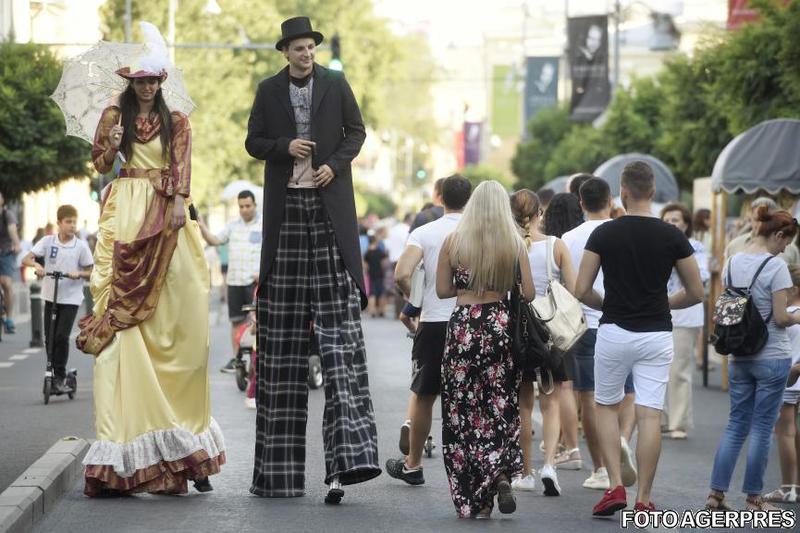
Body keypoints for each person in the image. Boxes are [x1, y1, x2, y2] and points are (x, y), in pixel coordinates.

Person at [76, 22, 225, 496]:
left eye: (151, 79)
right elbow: (100, 165)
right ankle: (122, 445)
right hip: (124, 208)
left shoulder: (177, 120)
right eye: (138, 79)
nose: (145, 86)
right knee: (119, 318)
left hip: (163, 212)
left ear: (160, 82)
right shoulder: (111, 115)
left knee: (179, 320)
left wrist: (179, 203)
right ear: (130, 81)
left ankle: (179, 442)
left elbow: (181, 167)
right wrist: (111, 141)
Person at [245, 16, 380, 504]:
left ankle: (348, 466)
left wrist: (332, 165)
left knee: (341, 349)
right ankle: (277, 477)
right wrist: (285, 147)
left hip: (328, 215)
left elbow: (357, 132)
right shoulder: (267, 90)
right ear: (285, 52)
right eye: (298, 49)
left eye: (310, 48)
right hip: (285, 218)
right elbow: (253, 141)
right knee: (280, 352)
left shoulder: (336, 83)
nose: (306, 54)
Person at [575, 161, 703, 516]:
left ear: (624, 192)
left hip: (613, 330)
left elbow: (581, 289)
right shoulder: (673, 236)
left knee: (606, 406)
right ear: (652, 192)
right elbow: (695, 292)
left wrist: (608, 305)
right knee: (649, 415)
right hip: (656, 334)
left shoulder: (603, 234)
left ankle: (615, 486)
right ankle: (644, 498)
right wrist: (664, 302)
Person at [436, 180, 536, 519]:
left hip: (464, 326)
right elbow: (531, 293)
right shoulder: (514, 244)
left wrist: (468, 285)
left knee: (463, 408)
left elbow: (441, 290)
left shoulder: (454, 242)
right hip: (499, 325)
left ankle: (475, 498)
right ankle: (501, 473)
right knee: (499, 404)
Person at [705, 206, 800, 512]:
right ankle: (753, 498)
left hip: (739, 354)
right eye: (786, 241)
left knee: (735, 425)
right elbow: (782, 317)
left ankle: (715, 495)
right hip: (772, 355)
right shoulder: (776, 267)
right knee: (761, 428)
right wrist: (797, 319)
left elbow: (728, 307)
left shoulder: (733, 262)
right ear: (778, 234)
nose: (786, 248)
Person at [386, 174, 472, 486]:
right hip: (475, 322)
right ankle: (475, 467)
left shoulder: (424, 232)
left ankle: (413, 464)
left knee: (424, 395)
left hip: (435, 322)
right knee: (471, 397)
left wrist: (417, 300)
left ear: (440, 199)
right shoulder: (481, 232)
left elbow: (401, 273)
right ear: (470, 199)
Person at [510, 189, 577, 497]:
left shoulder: (508, 247)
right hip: (549, 331)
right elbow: (573, 290)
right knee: (550, 400)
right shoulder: (556, 245)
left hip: (519, 331)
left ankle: (526, 472)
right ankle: (549, 464)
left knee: (524, 404)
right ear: (540, 214)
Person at [21, 205, 93, 393]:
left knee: (61, 337)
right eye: (68, 222)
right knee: (49, 338)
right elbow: (26, 259)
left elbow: (93, 271)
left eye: (74, 222)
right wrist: (36, 265)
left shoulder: (81, 246)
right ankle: (52, 375)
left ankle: (60, 376)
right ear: (59, 223)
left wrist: (79, 273)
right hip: (50, 295)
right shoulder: (48, 241)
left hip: (70, 298)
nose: (72, 226)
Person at [541, 191, 586, 471]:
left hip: (545, 320)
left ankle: (564, 444)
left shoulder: (552, 242)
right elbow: (575, 286)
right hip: (574, 319)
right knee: (572, 387)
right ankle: (570, 443)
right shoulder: (579, 238)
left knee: (553, 387)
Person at [197, 189, 262, 373]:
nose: (244, 209)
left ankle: (259, 359)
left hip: (254, 283)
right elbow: (215, 240)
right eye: (241, 206)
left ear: (255, 205)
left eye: (248, 206)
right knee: (236, 322)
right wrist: (201, 227)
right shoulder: (232, 226)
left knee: (257, 322)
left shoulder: (264, 224)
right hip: (234, 282)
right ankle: (237, 360)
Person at [661, 203, 710, 440]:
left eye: (676, 220)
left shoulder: (696, 247)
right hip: (658, 314)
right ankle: (660, 418)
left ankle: (678, 422)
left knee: (679, 370)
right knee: (658, 368)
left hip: (685, 314)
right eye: (667, 220)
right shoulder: (656, 244)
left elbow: (701, 277)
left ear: (686, 224)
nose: (672, 224)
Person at [764, 264, 800, 503]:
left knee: (785, 433)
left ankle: (788, 487)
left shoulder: (786, 316)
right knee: (796, 432)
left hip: (789, 378)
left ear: (794, 288)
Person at [725, 197, 800, 265]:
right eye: (757, 219)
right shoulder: (734, 246)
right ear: (750, 217)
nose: (761, 225)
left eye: (766, 221)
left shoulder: (791, 250)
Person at [0, 190, 21, 333]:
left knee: (6, 284)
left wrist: (17, 244)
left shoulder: (7, 214)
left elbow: (12, 229)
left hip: (6, 252)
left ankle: (9, 318)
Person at [363, 235, 388, 317]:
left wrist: (367, 272)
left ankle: (372, 311)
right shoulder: (380, 252)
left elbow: (365, 266)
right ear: (375, 241)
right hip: (380, 274)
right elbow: (384, 264)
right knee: (381, 292)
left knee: (372, 293)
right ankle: (381, 311)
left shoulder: (367, 253)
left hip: (371, 274)